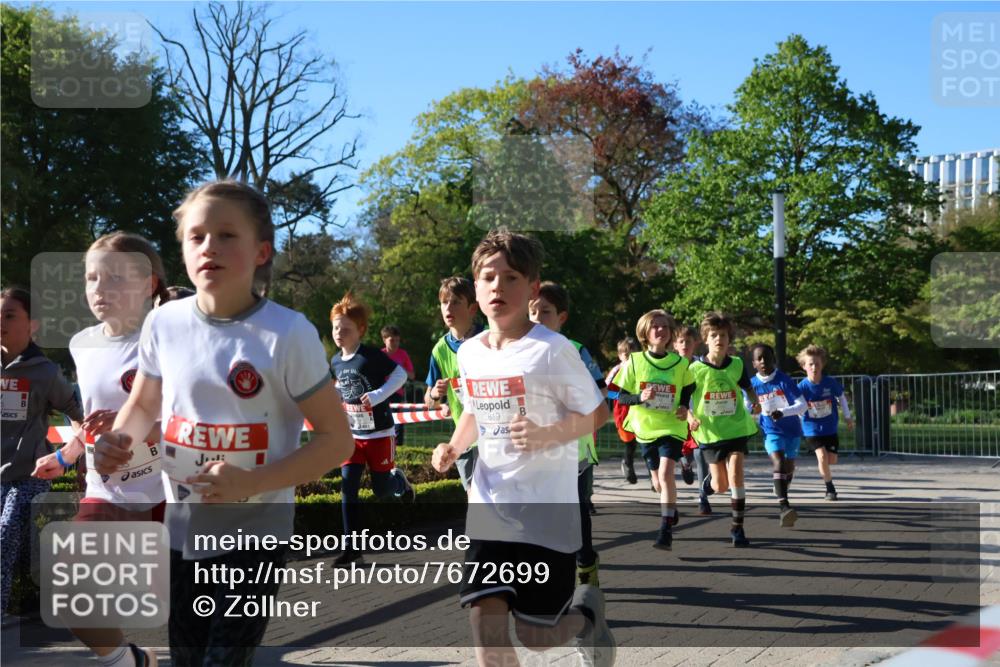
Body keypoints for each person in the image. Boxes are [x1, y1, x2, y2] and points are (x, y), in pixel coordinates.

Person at [93, 179, 355, 666]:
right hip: (183, 528)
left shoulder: (288, 332)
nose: (209, 245)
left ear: (261, 251)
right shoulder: (164, 322)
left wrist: (251, 482)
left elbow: (336, 441)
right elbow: (144, 405)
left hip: (256, 534)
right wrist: (118, 440)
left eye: (226, 235)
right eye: (196, 236)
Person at [431, 230, 615, 667]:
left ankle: (587, 615)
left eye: (511, 277)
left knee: (536, 636)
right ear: (476, 289)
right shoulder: (471, 352)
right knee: (486, 630)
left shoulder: (552, 350)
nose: (499, 286)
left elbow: (598, 414)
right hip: (490, 507)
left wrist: (545, 435)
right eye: (489, 277)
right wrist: (454, 447)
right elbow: (475, 411)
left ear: (532, 288)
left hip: (545, 515)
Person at [32, 232, 170, 667]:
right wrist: (66, 455)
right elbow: (88, 419)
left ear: (148, 284)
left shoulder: (169, 340)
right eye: (92, 278)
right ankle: (127, 661)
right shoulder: (82, 344)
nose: (99, 289)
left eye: (114, 277)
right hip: (108, 493)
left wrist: (135, 429)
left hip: (173, 494)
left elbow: (198, 423)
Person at [1, 287, 84, 617]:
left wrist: (70, 457)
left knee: (5, 536)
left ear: (32, 324)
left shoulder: (45, 372)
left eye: (10, 315)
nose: (1, 322)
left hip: (30, 476)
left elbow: (78, 416)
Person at [528, 281, 606, 586]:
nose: (536, 318)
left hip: (573, 450)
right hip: (536, 450)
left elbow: (600, 393)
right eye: (532, 311)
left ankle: (586, 563)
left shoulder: (575, 350)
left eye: (544, 312)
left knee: (575, 511)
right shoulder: (517, 351)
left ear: (562, 317)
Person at [331, 294, 416, 567]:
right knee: (348, 489)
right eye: (335, 328)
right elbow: (339, 387)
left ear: (361, 330)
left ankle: (399, 482)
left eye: (345, 329)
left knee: (381, 490)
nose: (339, 333)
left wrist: (379, 395)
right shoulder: (335, 361)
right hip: (352, 437)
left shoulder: (370, 356)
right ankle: (351, 548)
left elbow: (401, 375)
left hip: (379, 435)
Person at [612, 310, 695, 551]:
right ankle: (670, 509)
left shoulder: (680, 363)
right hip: (645, 427)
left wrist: (683, 406)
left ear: (670, 334)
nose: (660, 330)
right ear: (645, 333)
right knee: (658, 482)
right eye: (655, 327)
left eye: (665, 327)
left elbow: (689, 387)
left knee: (667, 473)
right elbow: (621, 397)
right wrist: (640, 396)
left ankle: (665, 530)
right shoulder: (635, 362)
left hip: (671, 426)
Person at [686, 312, 760, 547]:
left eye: (724, 335)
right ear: (705, 339)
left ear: (729, 340)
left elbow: (748, 387)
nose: (719, 339)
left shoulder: (737, 364)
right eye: (714, 335)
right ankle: (708, 483)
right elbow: (682, 400)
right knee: (721, 486)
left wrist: (755, 401)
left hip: (736, 427)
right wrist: (689, 418)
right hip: (710, 432)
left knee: (737, 473)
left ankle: (737, 528)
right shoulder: (695, 369)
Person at [425, 277, 483, 490]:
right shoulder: (439, 350)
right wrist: (434, 395)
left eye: (456, 301)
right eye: (444, 302)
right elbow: (429, 401)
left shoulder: (490, 337)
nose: (448, 307)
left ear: (473, 308)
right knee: (474, 497)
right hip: (464, 438)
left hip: (494, 435)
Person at [750, 343, 809, 528]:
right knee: (779, 462)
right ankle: (784, 507)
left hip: (791, 430)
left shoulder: (784, 380)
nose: (763, 362)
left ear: (774, 359)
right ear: (753, 363)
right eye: (759, 359)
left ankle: (782, 486)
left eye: (766, 357)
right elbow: (746, 405)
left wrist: (783, 412)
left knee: (788, 468)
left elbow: (803, 405)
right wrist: (752, 408)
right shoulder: (752, 384)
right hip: (771, 430)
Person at [797, 344, 853, 501]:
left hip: (830, 426)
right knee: (821, 457)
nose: (814, 367)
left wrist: (848, 417)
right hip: (811, 428)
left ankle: (826, 473)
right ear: (804, 366)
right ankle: (830, 489)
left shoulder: (830, 382)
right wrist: (799, 419)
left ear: (822, 365)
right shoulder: (801, 387)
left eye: (817, 364)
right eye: (810, 364)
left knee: (831, 460)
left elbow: (841, 398)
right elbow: (796, 405)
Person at [674, 325, 712, 515]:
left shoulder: (701, 365)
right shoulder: (670, 365)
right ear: (674, 344)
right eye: (681, 341)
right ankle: (684, 463)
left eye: (688, 341)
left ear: (695, 343)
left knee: (700, 455)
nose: (685, 345)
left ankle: (702, 497)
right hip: (677, 417)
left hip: (697, 417)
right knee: (685, 453)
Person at [605, 337, 640, 485]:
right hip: (623, 413)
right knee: (629, 442)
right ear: (620, 355)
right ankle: (628, 463)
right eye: (625, 354)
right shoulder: (617, 370)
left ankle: (654, 477)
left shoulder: (641, 368)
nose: (629, 356)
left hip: (640, 411)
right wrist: (620, 396)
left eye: (632, 353)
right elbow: (605, 391)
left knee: (646, 442)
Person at [381, 324, 415, 446]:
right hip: (381, 394)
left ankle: (399, 449)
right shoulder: (379, 355)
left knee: (398, 423)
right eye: (391, 340)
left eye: (397, 340)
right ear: (384, 340)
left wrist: (399, 370)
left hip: (397, 393)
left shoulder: (403, 354)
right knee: (382, 422)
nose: (395, 343)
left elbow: (412, 375)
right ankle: (383, 446)